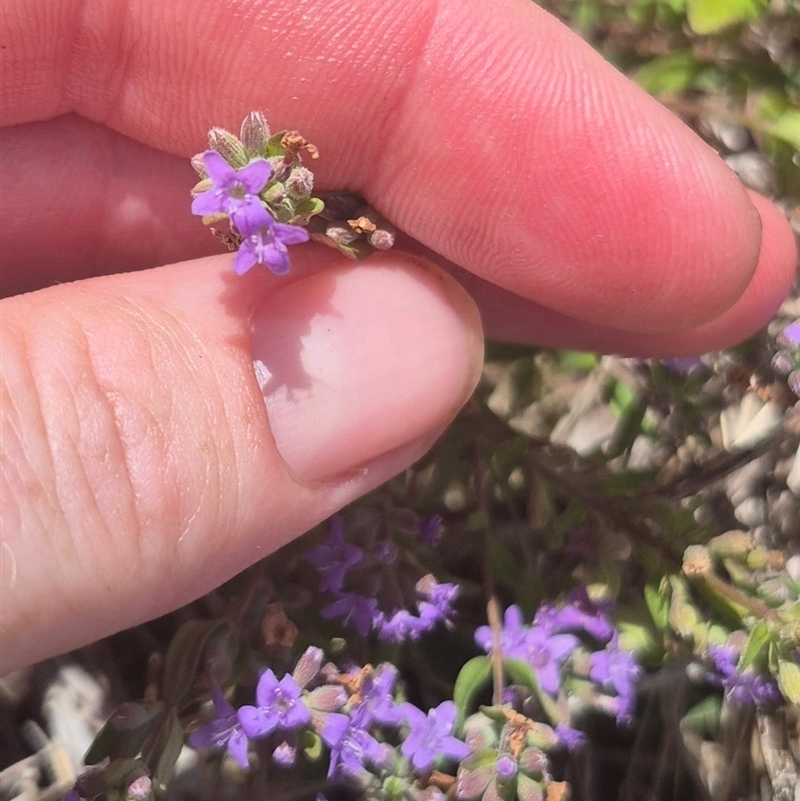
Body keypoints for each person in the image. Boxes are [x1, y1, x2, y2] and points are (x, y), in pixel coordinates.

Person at [0, 0, 796, 676]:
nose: (238, 191)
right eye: (239, 188)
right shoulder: (252, 205)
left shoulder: (267, 201)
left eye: (244, 188)